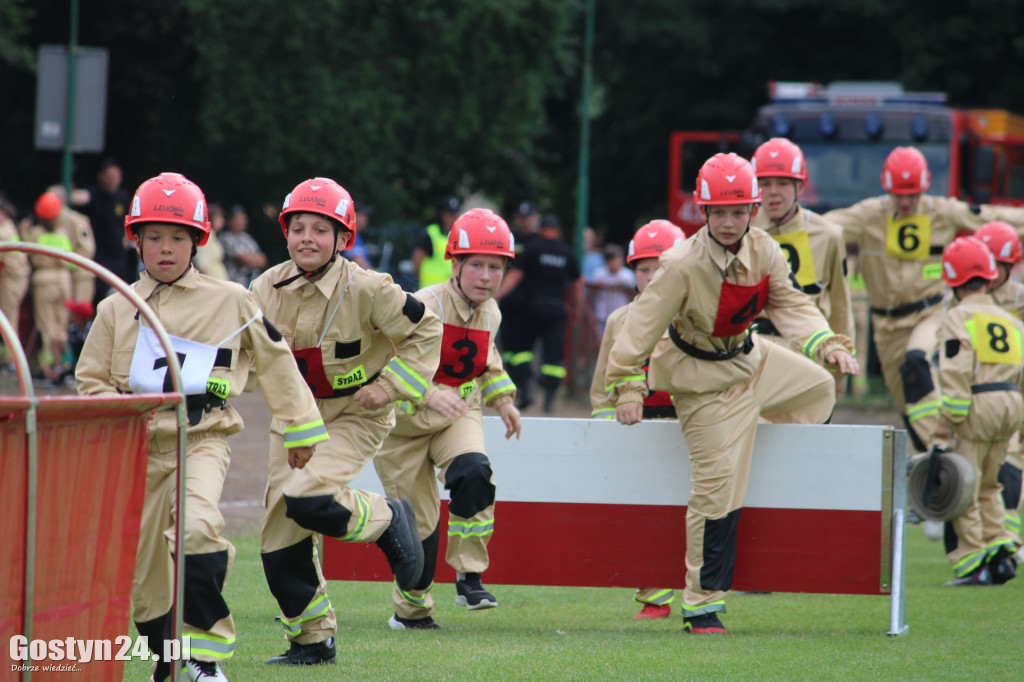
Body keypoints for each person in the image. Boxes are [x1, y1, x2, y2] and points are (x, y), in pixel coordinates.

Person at [76, 172, 331, 682]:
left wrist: (302, 432)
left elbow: (279, 364)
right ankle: (166, 662)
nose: (165, 249)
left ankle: (204, 655)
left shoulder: (233, 300)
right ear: (136, 240)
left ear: (197, 241)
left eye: (177, 237)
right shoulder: (113, 309)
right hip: (136, 453)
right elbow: (90, 385)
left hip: (203, 443)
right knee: (146, 580)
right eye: (154, 237)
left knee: (196, 530)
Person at [605, 153, 857, 634]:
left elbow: (791, 305)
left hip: (752, 360)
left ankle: (746, 436)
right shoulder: (679, 264)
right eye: (717, 212)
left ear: (753, 211)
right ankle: (701, 603)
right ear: (701, 213)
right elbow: (637, 330)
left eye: (737, 211)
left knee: (819, 388)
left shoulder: (765, 250)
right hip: (700, 383)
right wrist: (629, 386)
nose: (727, 222)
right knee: (715, 493)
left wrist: (826, 342)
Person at [249, 178, 440, 665]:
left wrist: (390, 387)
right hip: (295, 421)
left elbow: (427, 331)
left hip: (356, 415)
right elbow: (246, 356)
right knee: (277, 541)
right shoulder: (262, 288)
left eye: (320, 229)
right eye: (297, 228)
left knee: (306, 498)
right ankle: (313, 641)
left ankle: (385, 519)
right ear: (285, 233)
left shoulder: (370, 288)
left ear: (344, 237)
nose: (306, 238)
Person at [373, 208, 522, 630]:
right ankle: (412, 611)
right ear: (455, 264)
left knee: (475, 471)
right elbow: (386, 362)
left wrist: (505, 401)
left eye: (496, 267)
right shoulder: (423, 304)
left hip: (458, 413)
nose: (486, 276)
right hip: (400, 428)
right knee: (419, 532)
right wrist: (426, 392)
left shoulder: (492, 313)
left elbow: (487, 361)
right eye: (476, 264)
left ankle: (469, 576)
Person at [825, 146, 1024, 451]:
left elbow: (992, 216)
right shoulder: (869, 215)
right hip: (885, 322)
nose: (905, 202)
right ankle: (932, 466)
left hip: (929, 313)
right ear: (886, 188)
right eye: (898, 194)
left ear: (925, 188)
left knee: (917, 363)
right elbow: (821, 226)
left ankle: (947, 454)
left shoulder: (941, 211)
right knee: (908, 405)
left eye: (913, 194)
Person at [590, 219, 685, 620]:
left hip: (687, 424)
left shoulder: (695, 320)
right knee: (644, 515)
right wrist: (605, 428)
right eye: (643, 269)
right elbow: (601, 387)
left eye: (660, 268)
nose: (650, 277)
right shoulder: (619, 320)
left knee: (689, 510)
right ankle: (655, 598)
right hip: (637, 424)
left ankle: (702, 590)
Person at [932, 236, 1022, 586]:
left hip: (978, 405)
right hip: (1011, 405)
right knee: (991, 483)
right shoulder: (1009, 318)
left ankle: (972, 562)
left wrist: (947, 420)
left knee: (965, 486)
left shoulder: (958, 316)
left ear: (953, 279)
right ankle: (1000, 548)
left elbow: (955, 370)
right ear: (988, 275)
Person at [749, 138, 854, 396]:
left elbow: (840, 304)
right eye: (764, 184)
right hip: (752, 351)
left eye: (783, 183)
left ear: (801, 185)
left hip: (807, 351)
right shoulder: (742, 232)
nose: (773, 192)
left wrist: (839, 367)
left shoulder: (829, 235)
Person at [496, 213, 583, 413]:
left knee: (522, 352)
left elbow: (516, 275)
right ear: (558, 231)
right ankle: (550, 400)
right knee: (553, 359)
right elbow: (578, 283)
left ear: (541, 229)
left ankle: (526, 388)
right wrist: (576, 308)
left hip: (530, 310)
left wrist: (496, 296)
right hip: (557, 312)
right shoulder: (567, 253)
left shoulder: (532, 248)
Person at [974, 221, 1024, 557]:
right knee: (994, 464)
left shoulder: (1019, 300)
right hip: (987, 392)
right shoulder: (969, 299)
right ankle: (1003, 538)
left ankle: (1009, 535)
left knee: (1012, 462)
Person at [26, 192, 85, 383]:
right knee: (61, 326)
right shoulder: (62, 234)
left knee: (46, 326)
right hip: (63, 280)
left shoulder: (35, 234)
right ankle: (62, 365)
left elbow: (30, 256)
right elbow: (71, 261)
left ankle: (47, 368)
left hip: (43, 279)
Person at [71, 157, 134, 303]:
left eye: (116, 177)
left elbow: (129, 218)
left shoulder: (123, 197)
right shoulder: (93, 194)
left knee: (121, 295)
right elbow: (79, 197)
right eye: (109, 176)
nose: (112, 180)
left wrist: (126, 237)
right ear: (101, 177)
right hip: (99, 257)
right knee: (103, 295)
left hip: (119, 257)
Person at [0, 193, 30, 369]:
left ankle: (12, 360)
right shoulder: (9, 225)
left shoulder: (3, 230)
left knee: (9, 318)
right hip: (14, 276)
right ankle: (8, 359)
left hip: (12, 278)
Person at [586, 243, 636, 336]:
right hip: (602, 316)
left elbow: (634, 297)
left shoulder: (628, 275)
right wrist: (597, 286)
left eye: (618, 259)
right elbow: (590, 295)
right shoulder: (599, 274)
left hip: (621, 315)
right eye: (612, 260)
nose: (616, 263)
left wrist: (625, 287)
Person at [412, 196, 461, 289]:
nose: (452, 217)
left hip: (450, 290)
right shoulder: (431, 234)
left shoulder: (458, 235)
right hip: (430, 289)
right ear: (442, 214)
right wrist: (422, 279)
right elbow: (417, 259)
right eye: (449, 214)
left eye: (454, 214)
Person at [219, 204, 267, 287]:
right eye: (239, 218)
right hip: (235, 285)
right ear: (230, 221)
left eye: (244, 218)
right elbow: (242, 259)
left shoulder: (247, 238)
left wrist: (249, 258)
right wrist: (254, 258)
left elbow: (263, 261)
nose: (243, 221)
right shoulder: (225, 238)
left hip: (253, 285)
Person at [193, 202, 229, 280]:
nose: (222, 221)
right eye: (219, 218)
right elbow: (203, 263)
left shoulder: (213, 235)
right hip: (213, 279)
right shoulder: (208, 235)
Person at [339, 201, 373, 269]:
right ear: (354, 216)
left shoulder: (356, 235)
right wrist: (377, 278)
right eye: (363, 215)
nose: (366, 220)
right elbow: (359, 262)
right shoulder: (350, 236)